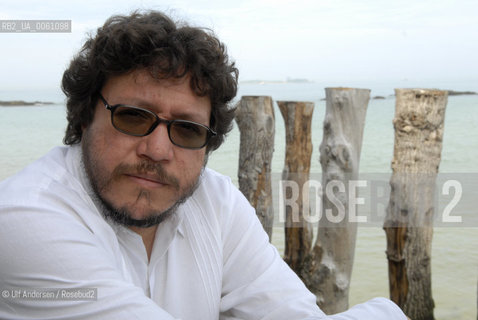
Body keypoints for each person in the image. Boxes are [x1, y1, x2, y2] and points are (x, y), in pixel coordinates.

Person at [0, 10, 407, 320]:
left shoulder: (217, 204)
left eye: (187, 130)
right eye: (133, 117)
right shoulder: (25, 217)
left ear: (207, 144)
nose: (158, 150)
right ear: (86, 115)